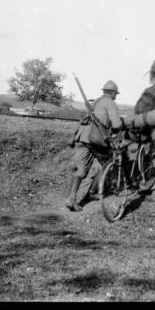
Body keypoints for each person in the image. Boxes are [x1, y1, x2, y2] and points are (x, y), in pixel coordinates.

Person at [65, 80, 123, 211]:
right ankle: (93, 192)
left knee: (81, 170)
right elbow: (116, 125)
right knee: (108, 162)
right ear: (113, 93)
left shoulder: (96, 101)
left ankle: (71, 198)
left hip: (82, 137)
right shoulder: (111, 103)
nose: (116, 96)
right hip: (95, 139)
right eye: (115, 94)